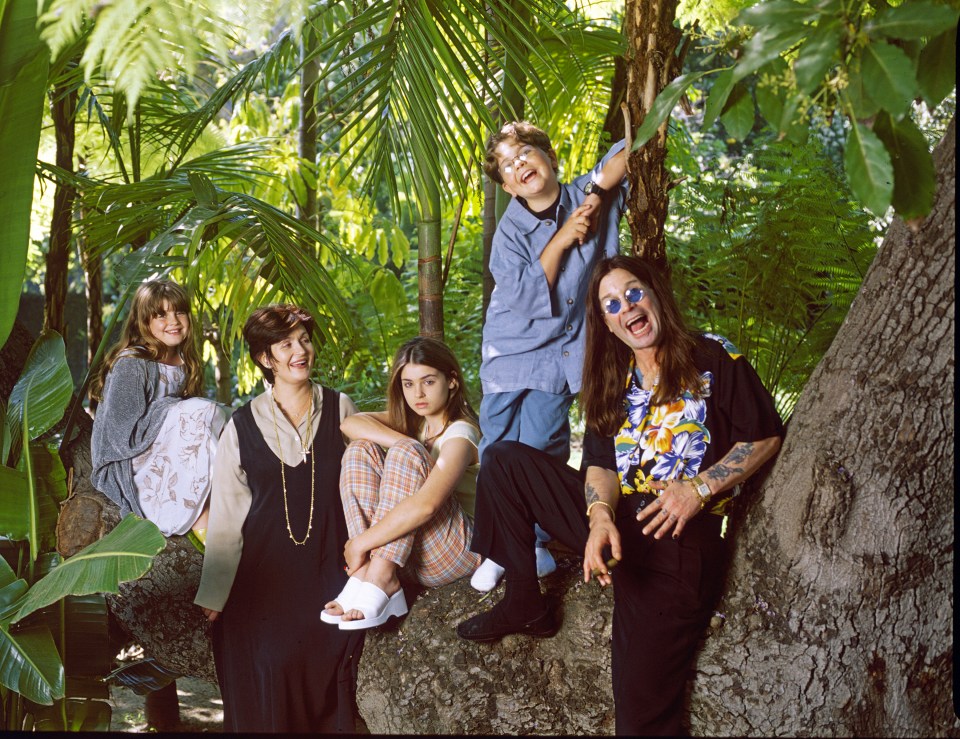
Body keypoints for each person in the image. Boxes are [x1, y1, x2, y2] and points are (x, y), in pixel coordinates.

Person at [458, 255, 784, 735]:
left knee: (640, 717)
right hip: (620, 523)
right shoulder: (614, 380)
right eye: (611, 303)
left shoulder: (713, 356)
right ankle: (525, 600)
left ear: (654, 295)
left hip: (679, 541)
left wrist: (699, 488)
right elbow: (599, 464)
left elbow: (764, 436)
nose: (625, 306)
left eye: (633, 292)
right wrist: (599, 517)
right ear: (607, 323)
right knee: (505, 459)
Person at [471, 120, 629, 591]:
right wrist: (561, 239)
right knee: (496, 445)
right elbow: (522, 296)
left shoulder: (583, 191)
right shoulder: (510, 233)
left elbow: (626, 152)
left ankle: (536, 542)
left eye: (526, 154)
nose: (520, 166)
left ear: (550, 156)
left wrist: (597, 190)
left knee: (542, 444)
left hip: (560, 353)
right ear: (504, 186)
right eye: (507, 166)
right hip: (510, 353)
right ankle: (498, 549)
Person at [194, 305, 364, 733]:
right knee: (268, 673)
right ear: (264, 358)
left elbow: (366, 486)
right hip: (262, 583)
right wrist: (214, 594)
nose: (299, 350)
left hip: (330, 573)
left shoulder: (342, 408)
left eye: (304, 339)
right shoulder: (240, 425)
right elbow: (229, 517)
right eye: (285, 343)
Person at [322, 337, 482, 630]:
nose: (417, 393)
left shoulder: (461, 433)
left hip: (460, 550)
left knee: (406, 451)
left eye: (428, 381)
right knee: (361, 449)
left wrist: (359, 543)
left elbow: (427, 506)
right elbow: (350, 424)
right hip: (410, 555)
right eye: (408, 384)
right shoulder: (417, 424)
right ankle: (369, 571)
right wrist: (406, 441)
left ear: (452, 382)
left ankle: (377, 573)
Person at [91, 280, 227, 542]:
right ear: (144, 322)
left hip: (170, 450)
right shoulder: (133, 363)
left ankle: (220, 511)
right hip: (133, 460)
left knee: (224, 418)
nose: (173, 321)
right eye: (161, 314)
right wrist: (174, 409)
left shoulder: (186, 361)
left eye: (179, 312)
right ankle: (201, 524)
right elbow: (120, 435)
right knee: (203, 411)